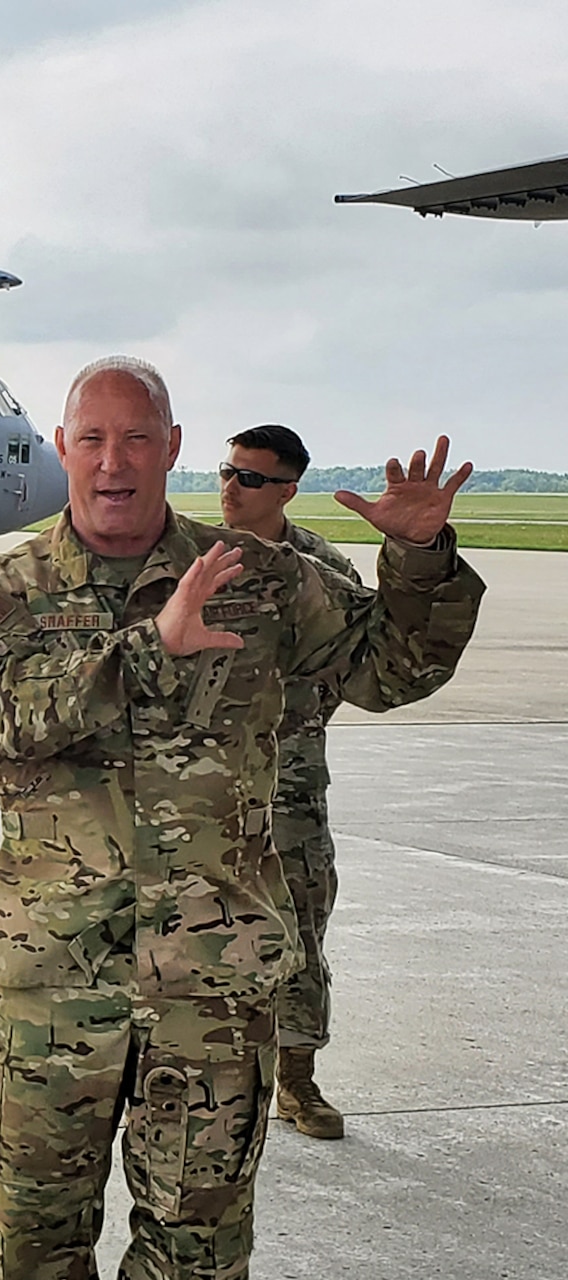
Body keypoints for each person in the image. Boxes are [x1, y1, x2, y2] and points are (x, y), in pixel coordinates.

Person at [0, 356, 484, 1280]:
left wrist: (419, 561)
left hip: (211, 1001)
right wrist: (151, 649)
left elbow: (391, 666)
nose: (113, 462)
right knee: (32, 1249)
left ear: (171, 449)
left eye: (136, 438)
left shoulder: (259, 584)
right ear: (60, 449)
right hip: (51, 996)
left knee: (196, 1249)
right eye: (91, 439)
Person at [218, 423, 363, 1139]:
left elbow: (356, 660)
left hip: (293, 783)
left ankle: (298, 1081)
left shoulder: (321, 565)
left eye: (248, 477)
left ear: (286, 489)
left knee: (302, 929)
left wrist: (294, 721)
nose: (229, 489)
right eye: (226, 472)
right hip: (206, 787)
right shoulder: (198, 559)